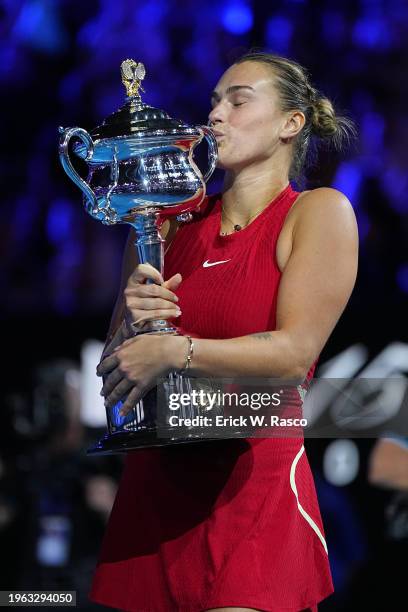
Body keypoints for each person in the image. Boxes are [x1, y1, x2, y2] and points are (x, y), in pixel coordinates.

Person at [89, 52, 359, 612]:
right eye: (214, 100)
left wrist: (175, 350)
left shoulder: (317, 212)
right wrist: (135, 327)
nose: (215, 114)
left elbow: (293, 355)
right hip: (154, 497)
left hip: (251, 491)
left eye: (238, 100)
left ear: (291, 123)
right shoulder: (161, 225)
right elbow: (116, 374)